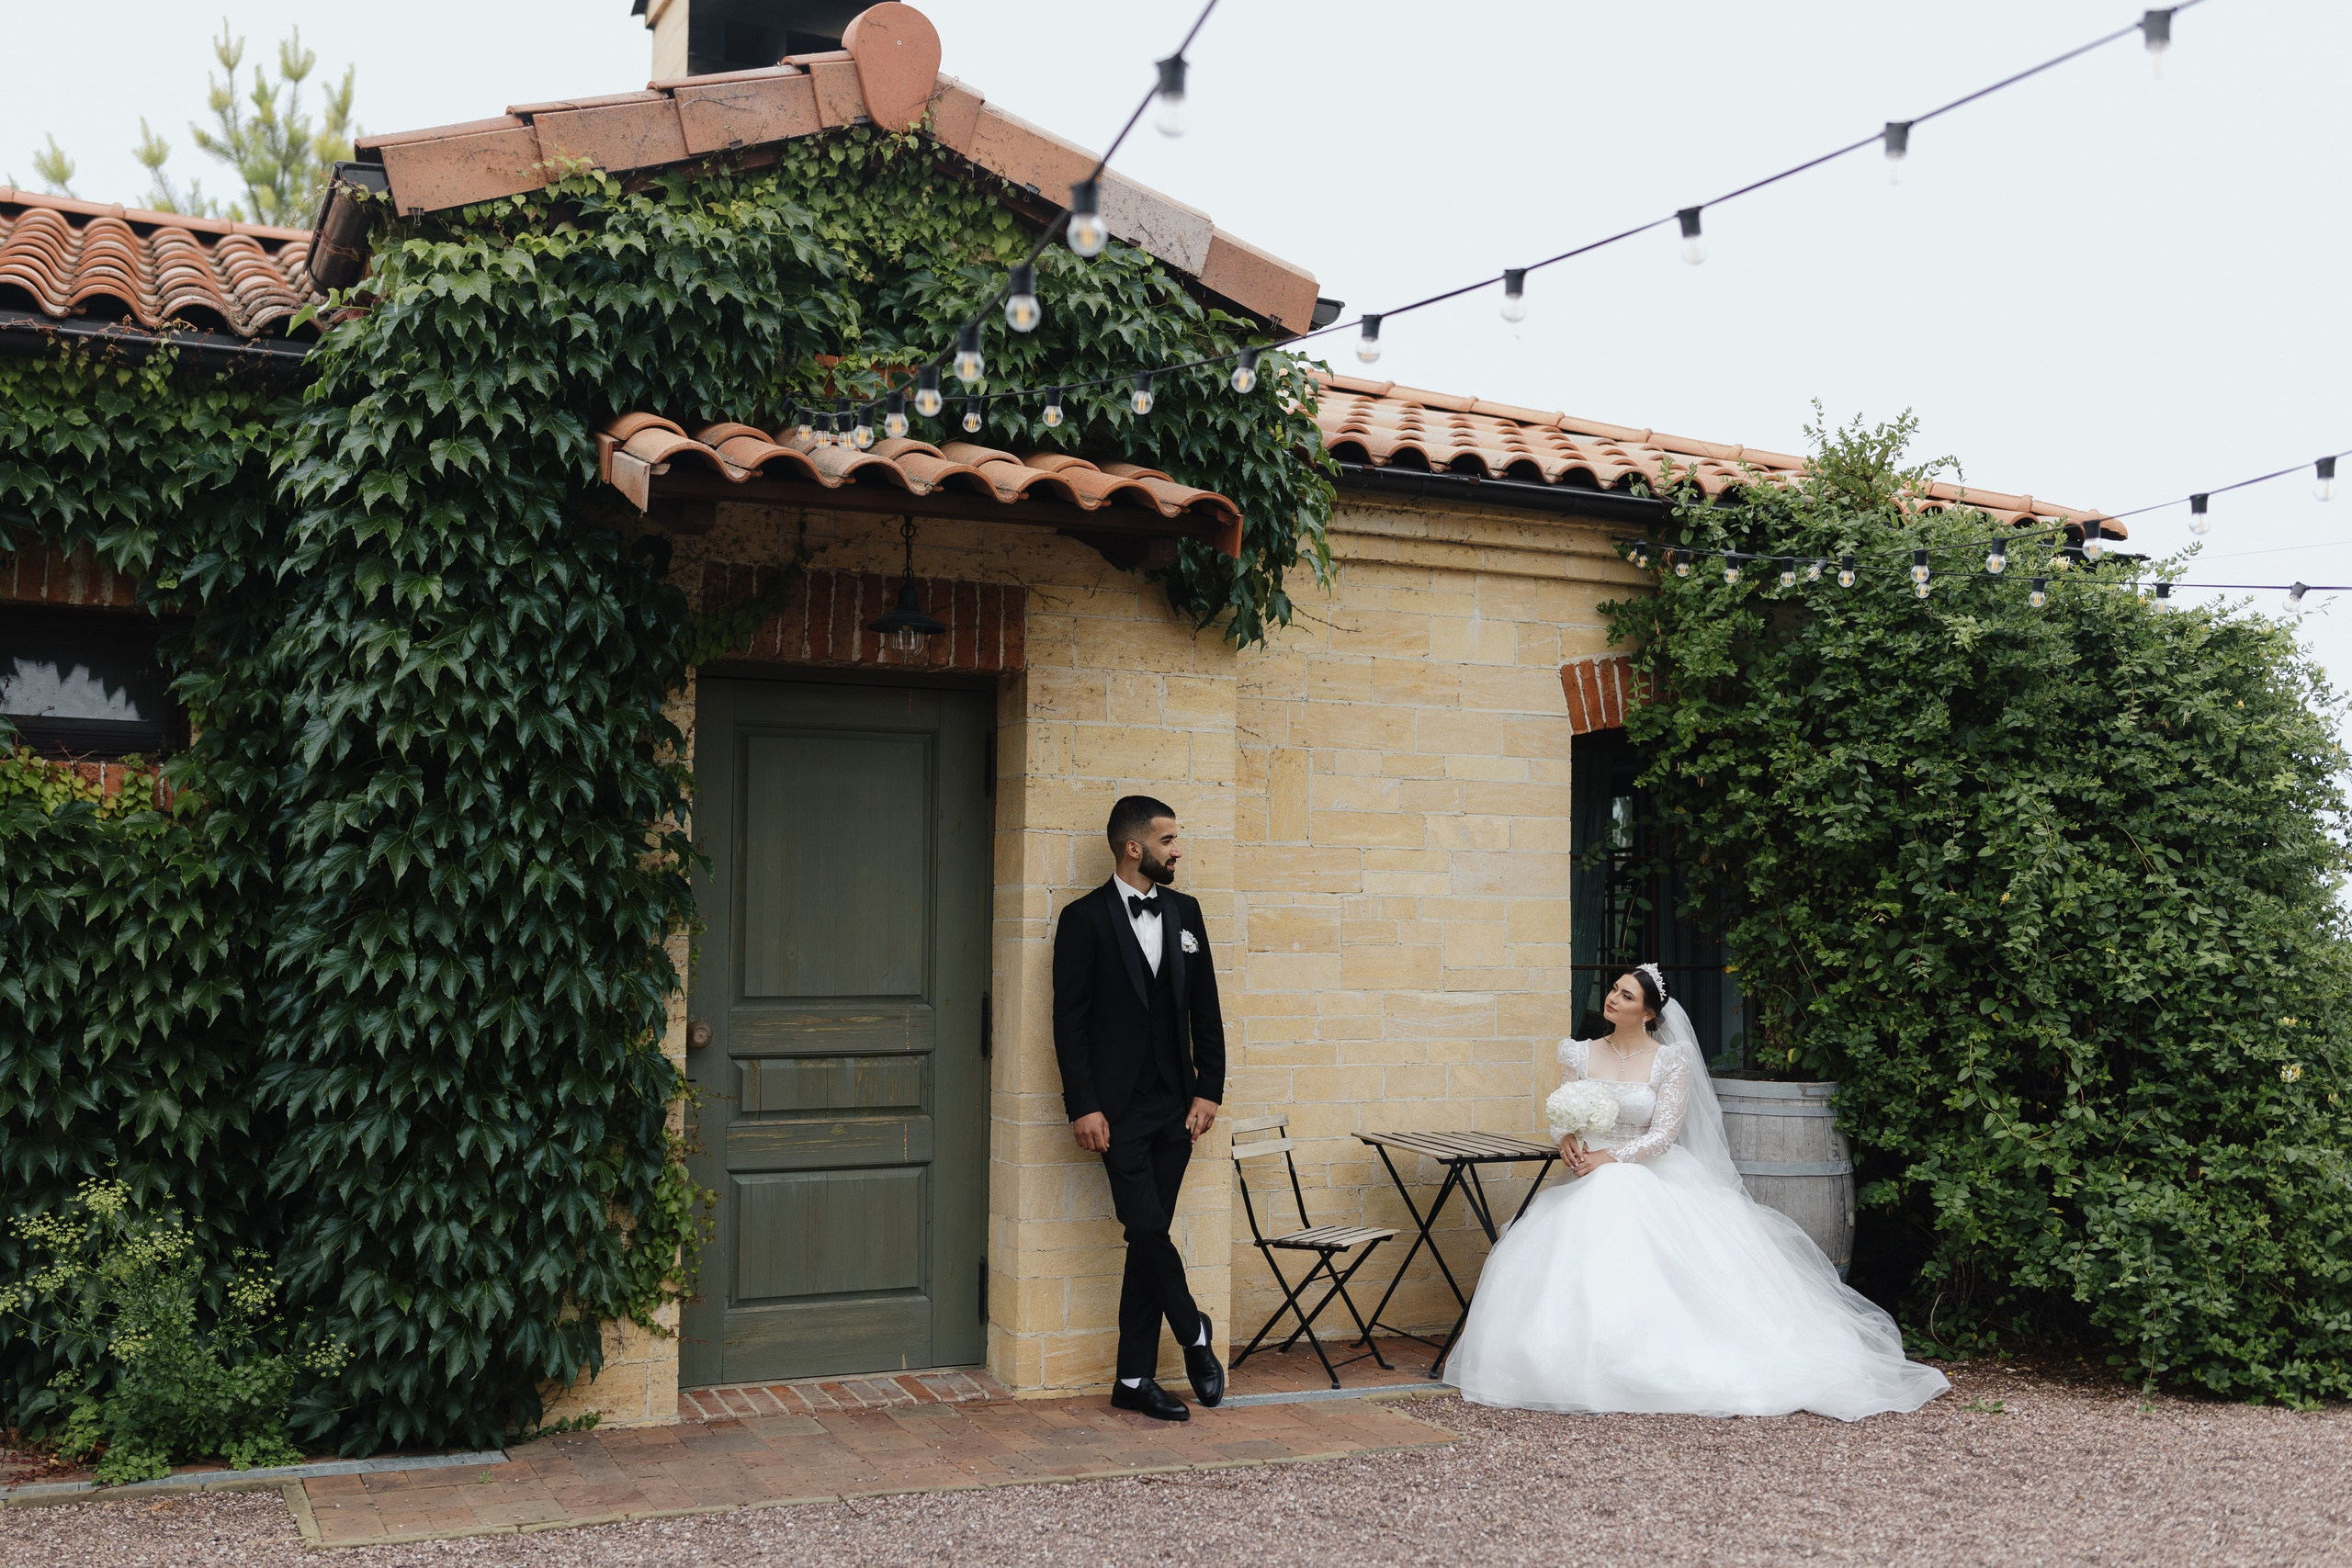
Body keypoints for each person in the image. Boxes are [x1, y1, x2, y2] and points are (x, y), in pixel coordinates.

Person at [1450, 963, 1949, 1419]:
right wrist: (1569, 1144)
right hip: (1584, 1172)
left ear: (1647, 1012)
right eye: (1614, 991)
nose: (1613, 999)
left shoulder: (1671, 1060)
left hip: (1645, 1171)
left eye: (1626, 996)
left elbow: (1663, 1135)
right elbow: (1561, 1114)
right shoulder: (1578, 1052)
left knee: (1620, 1197)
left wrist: (1608, 1158)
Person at [1051, 795, 1227, 1421]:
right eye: (1168, 839)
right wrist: (1084, 1105)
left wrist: (1210, 1088)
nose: (1178, 849)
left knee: (1144, 1238)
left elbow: (1205, 1008)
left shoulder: (1186, 912)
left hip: (1177, 1107)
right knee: (1148, 1228)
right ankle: (1194, 1334)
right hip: (1116, 1111)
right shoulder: (1084, 919)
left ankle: (1132, 1379)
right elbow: (1068, 1024)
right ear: (1134, 847)